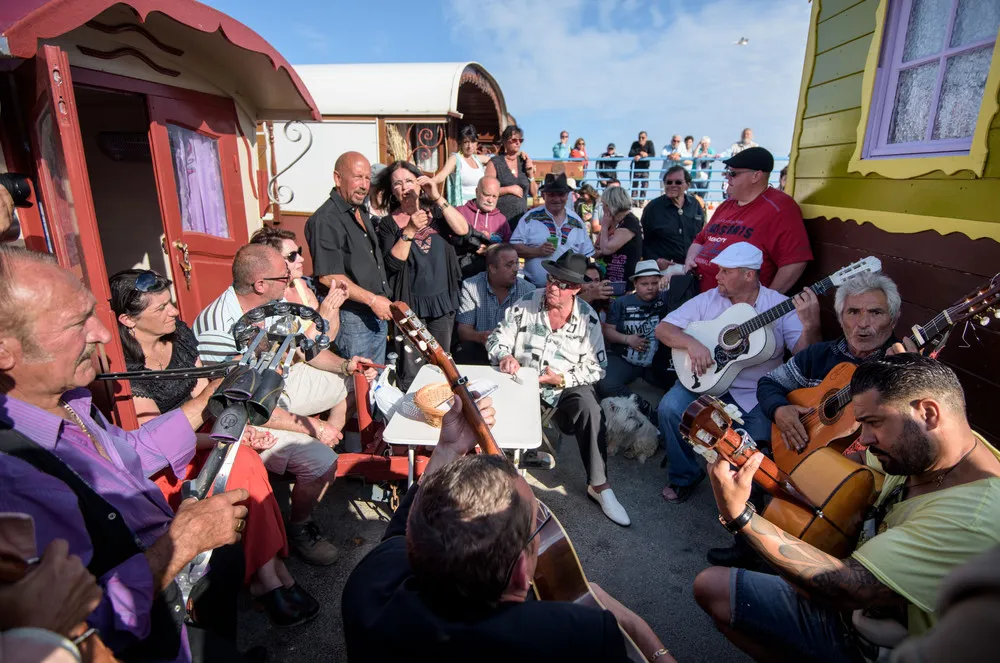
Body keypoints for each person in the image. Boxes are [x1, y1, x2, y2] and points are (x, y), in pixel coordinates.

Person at [0, 246, 250, 661]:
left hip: (167, 597)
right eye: (77, 323)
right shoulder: (12, 477)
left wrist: (204, 402)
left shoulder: (71, 400)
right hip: (141, 640)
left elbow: (127, 452)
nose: (101, 332)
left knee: (224, 567)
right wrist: (177, 545)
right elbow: (71, 631)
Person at [694, 354, 1000, 663]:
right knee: (711, 588)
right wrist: (778, 475)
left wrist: (741, 516)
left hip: (882, 646)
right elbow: (849, 467)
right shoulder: (940, 448)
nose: (864, 440)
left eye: (873, 423)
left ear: (928, 414)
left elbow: (849, 588)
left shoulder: (972, 516)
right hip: (852, 608)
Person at [341, 389, 673, 663]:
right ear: (522, 572)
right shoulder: (573, 633)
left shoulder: (368, 586)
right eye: (536, 528)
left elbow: (399, 533)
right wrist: (637, 627)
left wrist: (448, 449)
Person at [109, 269, 320, 627]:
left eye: (171, 302)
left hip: (205, 433)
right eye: (160, 308)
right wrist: (230, 437)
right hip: (165, 461)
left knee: (245, 462)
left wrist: (238, 429)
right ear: (128, 320)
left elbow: (203, 397)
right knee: (243, 465)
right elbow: (158, 440)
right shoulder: (126, 368)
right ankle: (271, 577)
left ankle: (268, 574)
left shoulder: (180, 336)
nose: (173, 312)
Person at [707, 272, 902, 570]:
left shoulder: (900, 366)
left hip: (848, 473)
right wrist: (779, 410)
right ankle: (747, 548)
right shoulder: (819, 355)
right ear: (840, 318)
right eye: (853, 312)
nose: (863, 323)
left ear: (893, 319)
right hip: (799, 450)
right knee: (754, 467)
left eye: (875, 312)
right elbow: (770, 383)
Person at [193, 243, 358, 566]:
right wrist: (313, 427)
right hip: (243, 414)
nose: (292, 280)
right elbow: (242, 406)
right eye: (284, 276)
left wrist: (344, 366)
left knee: (349, 383)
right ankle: (300, 526)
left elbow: (305, 350)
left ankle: (321, 459)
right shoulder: (218, 329)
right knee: (321, 461)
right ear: (259, 284)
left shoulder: (272, 302)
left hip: (275, 387)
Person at [655, 243, 820, 503]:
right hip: (706, 382)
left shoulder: (779, 305)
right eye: (719, 270)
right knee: (669, 408)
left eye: (725, 271)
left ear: (748, 275)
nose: (717, 276)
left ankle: (742, 509)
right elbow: (663, 329)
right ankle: (684, 475)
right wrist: (691, 343)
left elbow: (803, 358)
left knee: (758, 448)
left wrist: (810, 325)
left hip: (755, 392)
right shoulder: (709, 299)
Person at [487, 252, 630, 526]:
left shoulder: (588, 319)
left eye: (562, 284)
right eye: (552, 279)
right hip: (520, 381)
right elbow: (497, 338)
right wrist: (504, 355)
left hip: (561, 388)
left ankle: (599, 486)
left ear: (577, 288)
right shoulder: (527, 302)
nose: (553, 287)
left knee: (590, 407)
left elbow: (597, 368)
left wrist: (561, 379)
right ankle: (496, 482)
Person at [373, 161, 469, 390]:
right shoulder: (388, 224)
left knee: (441, 364)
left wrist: (436, 196)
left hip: (442, 302)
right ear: (392, 192)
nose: (404, 186)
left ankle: (441, 414)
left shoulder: (437, 212)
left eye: (408, 180)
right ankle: (409, 415)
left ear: (418, 182)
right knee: (411, 369)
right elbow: (392, 264)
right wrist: (409, 230)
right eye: (397, 183)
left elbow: (463, 230)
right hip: (410, 306)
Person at [684, 147, 812, 294]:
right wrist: (691, 259)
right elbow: (700, 240)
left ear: (756, 176)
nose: (727, 177)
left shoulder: (780, 208)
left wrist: (767, 302)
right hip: (697, 293)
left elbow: (795, 262)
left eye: (733, 173)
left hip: (735, 308)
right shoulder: (726, 205)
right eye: (727, 172)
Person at [304, 151, 392, 364]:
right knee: (359, 383)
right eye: (357, 177)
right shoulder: (326, 219)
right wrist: (372, 300)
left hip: (376, 311)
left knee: (376, 382)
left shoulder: (359, 210)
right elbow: (328, 276)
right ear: (337, 178)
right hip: (353, 317)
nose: (364, 185)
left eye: (367, 178)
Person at [596, 260, 669, 418]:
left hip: (657, 361)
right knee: (605, 383)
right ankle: (641, 406)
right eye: (644, 283)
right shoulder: (621, 303)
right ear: (635, 283)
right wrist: (627, 339)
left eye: (654, 283)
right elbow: (607, 331)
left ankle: (664, 418)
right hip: (624, 358)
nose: (650, 287)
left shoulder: (667, 300)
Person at [249, 225, 349, 337]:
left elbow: (329, 336)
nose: (301, 259)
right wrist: (324, 316)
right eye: (292, 256)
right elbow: (298, 351)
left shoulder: (300, 285)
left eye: (299, 252)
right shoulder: (266, 297)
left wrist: (334, 304)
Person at [454, 243, 535, 365]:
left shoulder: (528, 290)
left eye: (517, 263)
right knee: (465, 351)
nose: (516, 269)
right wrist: (480, 337)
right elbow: (463, 331)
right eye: (509, 265)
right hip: (480, 348)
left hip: (513, 352)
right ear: (492, 268)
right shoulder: (471, 286)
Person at [510, 173, 594, 287]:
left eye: (561, 194)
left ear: (567, 195)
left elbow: (587, 255)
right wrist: (537, 251)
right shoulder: (530, 218)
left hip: (567, 290)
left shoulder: (577, 222)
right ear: (543, 195)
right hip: (533, 287)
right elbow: (514, 248)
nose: (556, 199)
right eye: (551, 194)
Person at [641, 166, 705, 272]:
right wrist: (656, 260)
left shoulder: (695, 205)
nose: (672, 185)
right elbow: (643, 240)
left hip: (692, 268)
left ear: (687, 185)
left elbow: (701, 236)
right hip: (664, 270)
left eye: (678, 182)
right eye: (669, 182)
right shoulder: (653, 208)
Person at [455, 176, 511, 278]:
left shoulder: (501, 220)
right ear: (477, 191)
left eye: (494, 196)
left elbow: (508, 248)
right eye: (486, 194)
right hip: (461, 273)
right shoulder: (459, 212)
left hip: (491, 277)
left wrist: (491, 250)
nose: (490, 200)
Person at [485, 125, 537, 229]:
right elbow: (487, 191)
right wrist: (509, 189)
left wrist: (531, 174)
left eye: (520, 140)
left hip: (521, 221)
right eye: (514, 140)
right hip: (500, 221)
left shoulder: (524, 162)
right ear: (505, 141)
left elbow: (534, 193)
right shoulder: (495, 163)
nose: (518, 142)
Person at [593, 185, 642, 283]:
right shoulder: (612, 222)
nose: (603, 209)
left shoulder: (629, 222)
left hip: (622, 280)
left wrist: (604, 227)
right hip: (607, 276)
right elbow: (597, 248)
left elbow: (606, 249)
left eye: (604, 205)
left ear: (611, 205)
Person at [433, 124, 487, 207]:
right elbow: (441, 176)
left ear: (477, 143)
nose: (469, 146)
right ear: (460, 143)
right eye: (466, 142)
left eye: (472, 142)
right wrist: (430, 181)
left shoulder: (478, 159)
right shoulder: (456, 158)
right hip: (462, 206)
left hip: (479, 206)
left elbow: (496, 161)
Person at [628, 131, 655, 203]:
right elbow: (630, 154)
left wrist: (646, 155)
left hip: (645, 168)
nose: (641, 139)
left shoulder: (649, 143)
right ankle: (634, 202)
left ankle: (641, 201)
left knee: (644, 185)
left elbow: (653, 154)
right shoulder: (635, 144)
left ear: (646, 138)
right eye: (639, 138)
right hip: (635, 168)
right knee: (634, 185)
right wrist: (639, 154)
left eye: (643, 138)